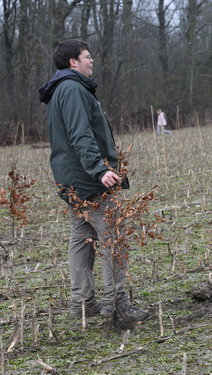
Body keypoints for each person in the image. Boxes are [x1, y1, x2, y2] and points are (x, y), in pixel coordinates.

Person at [39, 39, 149, 321]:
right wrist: (99, 170)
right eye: (87, 57)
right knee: (113, 237)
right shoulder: (73, 89)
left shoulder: (59, 90)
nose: (92, 61)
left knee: (81, 238)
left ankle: (83, 304)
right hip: (88, 179)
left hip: (70, 179)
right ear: (73, 62)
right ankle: (117, 305)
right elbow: (80, 134)